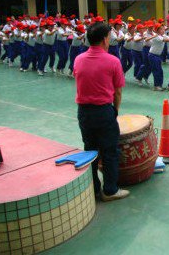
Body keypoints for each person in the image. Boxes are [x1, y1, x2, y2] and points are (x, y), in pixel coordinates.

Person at [74, 21, 129, 202]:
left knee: (90, 150)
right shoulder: (113, 61)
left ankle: (94, 188)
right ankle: (110, 190)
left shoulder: (79, 59)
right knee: (109, 151)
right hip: (104, 111)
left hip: (84, 112)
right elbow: (118, 91)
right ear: (105, 39)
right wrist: (115, 110)